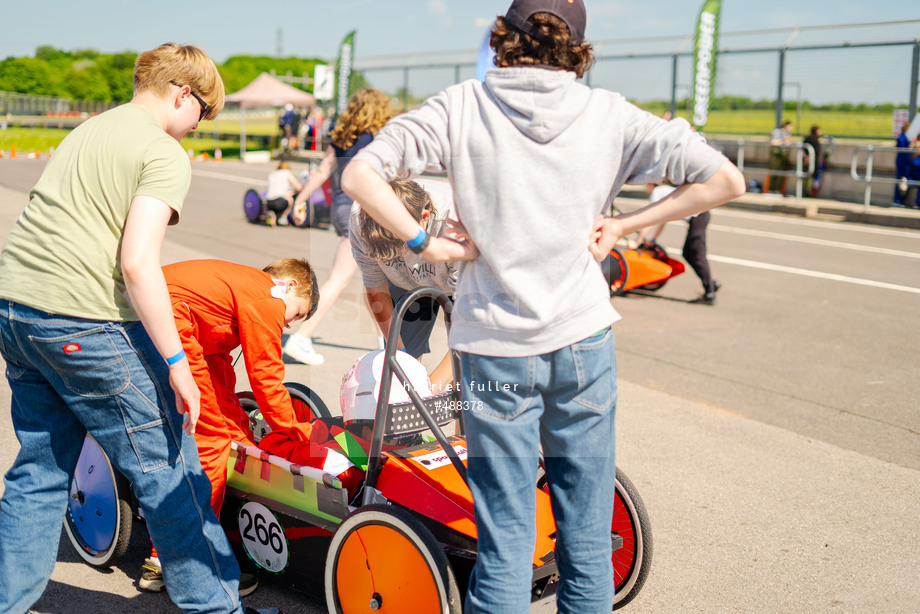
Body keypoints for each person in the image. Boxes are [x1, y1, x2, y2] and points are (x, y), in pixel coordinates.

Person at [340, 1, 746, 612]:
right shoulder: (608, 114)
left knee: (505, 541)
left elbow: (361, 176)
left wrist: (427, 240)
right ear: (577, 47)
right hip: (583, 342)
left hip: (492, 351)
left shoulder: (462, 106)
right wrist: (629, 222)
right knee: (583, 536)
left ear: (502, 39)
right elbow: (724, 180)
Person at [0, 43, 279, 614]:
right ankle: (217, 606)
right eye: (202, 115)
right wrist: (178, 364)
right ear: (183, 94)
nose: (197, 129)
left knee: (40, 474)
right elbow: (137, 261)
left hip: (16, 310)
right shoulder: (162, 151)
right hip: (84, 321)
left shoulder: (90, 130)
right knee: (171, 472)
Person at [139, 258, 318, 595]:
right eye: (296, 315)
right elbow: (266, 378)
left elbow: (217, 363)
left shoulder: (239, 290)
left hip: (174, 320)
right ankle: (171, 560)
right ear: (290, 286)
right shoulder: (269, 296)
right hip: (168, 319)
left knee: (237, 436)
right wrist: (299, 433)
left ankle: (219, 530)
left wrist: (245, 437)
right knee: (213, 446)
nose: (289, 325)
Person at [282, 89, 394, 366]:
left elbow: (321, 172)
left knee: (374, 278)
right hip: (364, 211)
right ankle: (302, 336)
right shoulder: (379, 138)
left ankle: (388, 339)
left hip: (342, 210)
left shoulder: (342, 137)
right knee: (341, 278)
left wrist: (300, 200)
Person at [351, 178, 461, 392]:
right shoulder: (361, 216)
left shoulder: (458, 223)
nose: (403, 258)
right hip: (406, 285)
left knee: (466, 378)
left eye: (402, 245)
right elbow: (376, 288)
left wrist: (428, 392)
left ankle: (463, 423)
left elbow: (472, 325)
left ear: (424, 219)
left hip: (463, 282)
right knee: (399, 375)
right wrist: (400, 358)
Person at [635, 183, 721, 305]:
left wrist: (638, 241)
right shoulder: (662, 190)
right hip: (698, 217)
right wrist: (652, 240)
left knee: (698, 255)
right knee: (687, 253)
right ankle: (710, 284)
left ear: (650, 184)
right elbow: (661, 220)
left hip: (699, 216)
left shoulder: (658, 191)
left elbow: (649, 218)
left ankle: (710, 293)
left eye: (645, 185)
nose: (644, 188)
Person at [263, 160, 302, 226]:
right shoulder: (287, 173)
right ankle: (283, 217)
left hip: (268, 202)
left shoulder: (272, 174)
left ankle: (273, 215)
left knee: (280, 199)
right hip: (279, 201)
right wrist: (293, 192)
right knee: (290, 199)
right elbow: (299, 187)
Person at [767, 120, 793, 194]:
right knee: (774, 171)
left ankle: (777, 190)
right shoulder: (777, 132)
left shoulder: (787, 134)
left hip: (783, 155)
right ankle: (771, 189)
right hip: (776, 154)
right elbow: (774, 142)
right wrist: (783, 141)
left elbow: (788, 143)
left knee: (781, 173)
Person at [894, 123, 912, 206]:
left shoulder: (906, 137)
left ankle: (900, 200)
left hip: (906, 162)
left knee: (905, 180)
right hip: (902, 162)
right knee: (900, 180)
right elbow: (903, 147)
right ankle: (897, 200)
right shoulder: (902, 138)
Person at [803, 125, 822, 196]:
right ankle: (807, 192)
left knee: (811, 175)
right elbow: (804, 149)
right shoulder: (811, 139)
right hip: (810, 160)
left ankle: (808, 191)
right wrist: (806, 158)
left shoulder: (815, 138)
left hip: (813, 160)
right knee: (809, 175)